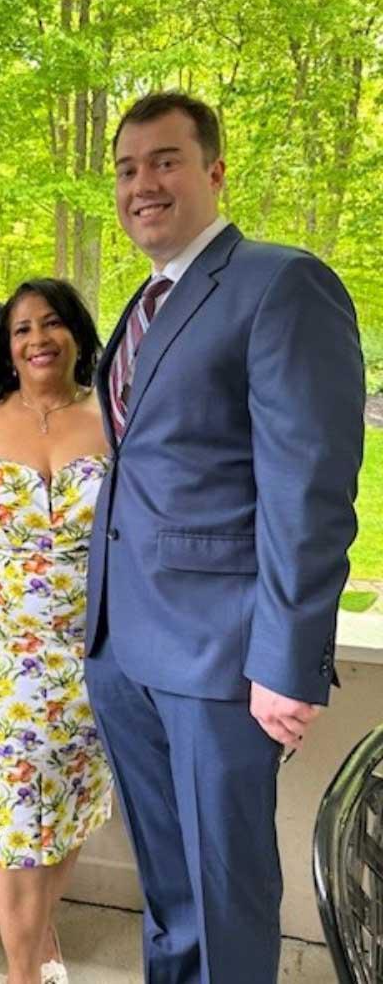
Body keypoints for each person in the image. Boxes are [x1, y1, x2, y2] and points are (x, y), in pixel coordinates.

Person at [85, 91, 366, 983]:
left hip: (220, 660)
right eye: (127, 169)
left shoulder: (281, 283)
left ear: (213, 171)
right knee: (168, 888)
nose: (143, 184)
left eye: (165, 161)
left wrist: (287, 658)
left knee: (226, 888)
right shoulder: (143, 302)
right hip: (123, 649)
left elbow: (309, 485)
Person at [0, 279, 114, 984]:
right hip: (1, 652)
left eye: (52, 323)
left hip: (95, 649)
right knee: (13, 821)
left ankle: (39, 934)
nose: (38, 339)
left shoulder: (115, 419)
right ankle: (21, 972)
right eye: (21, 329)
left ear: (77, 333)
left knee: (68, 807)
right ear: (7, 349)